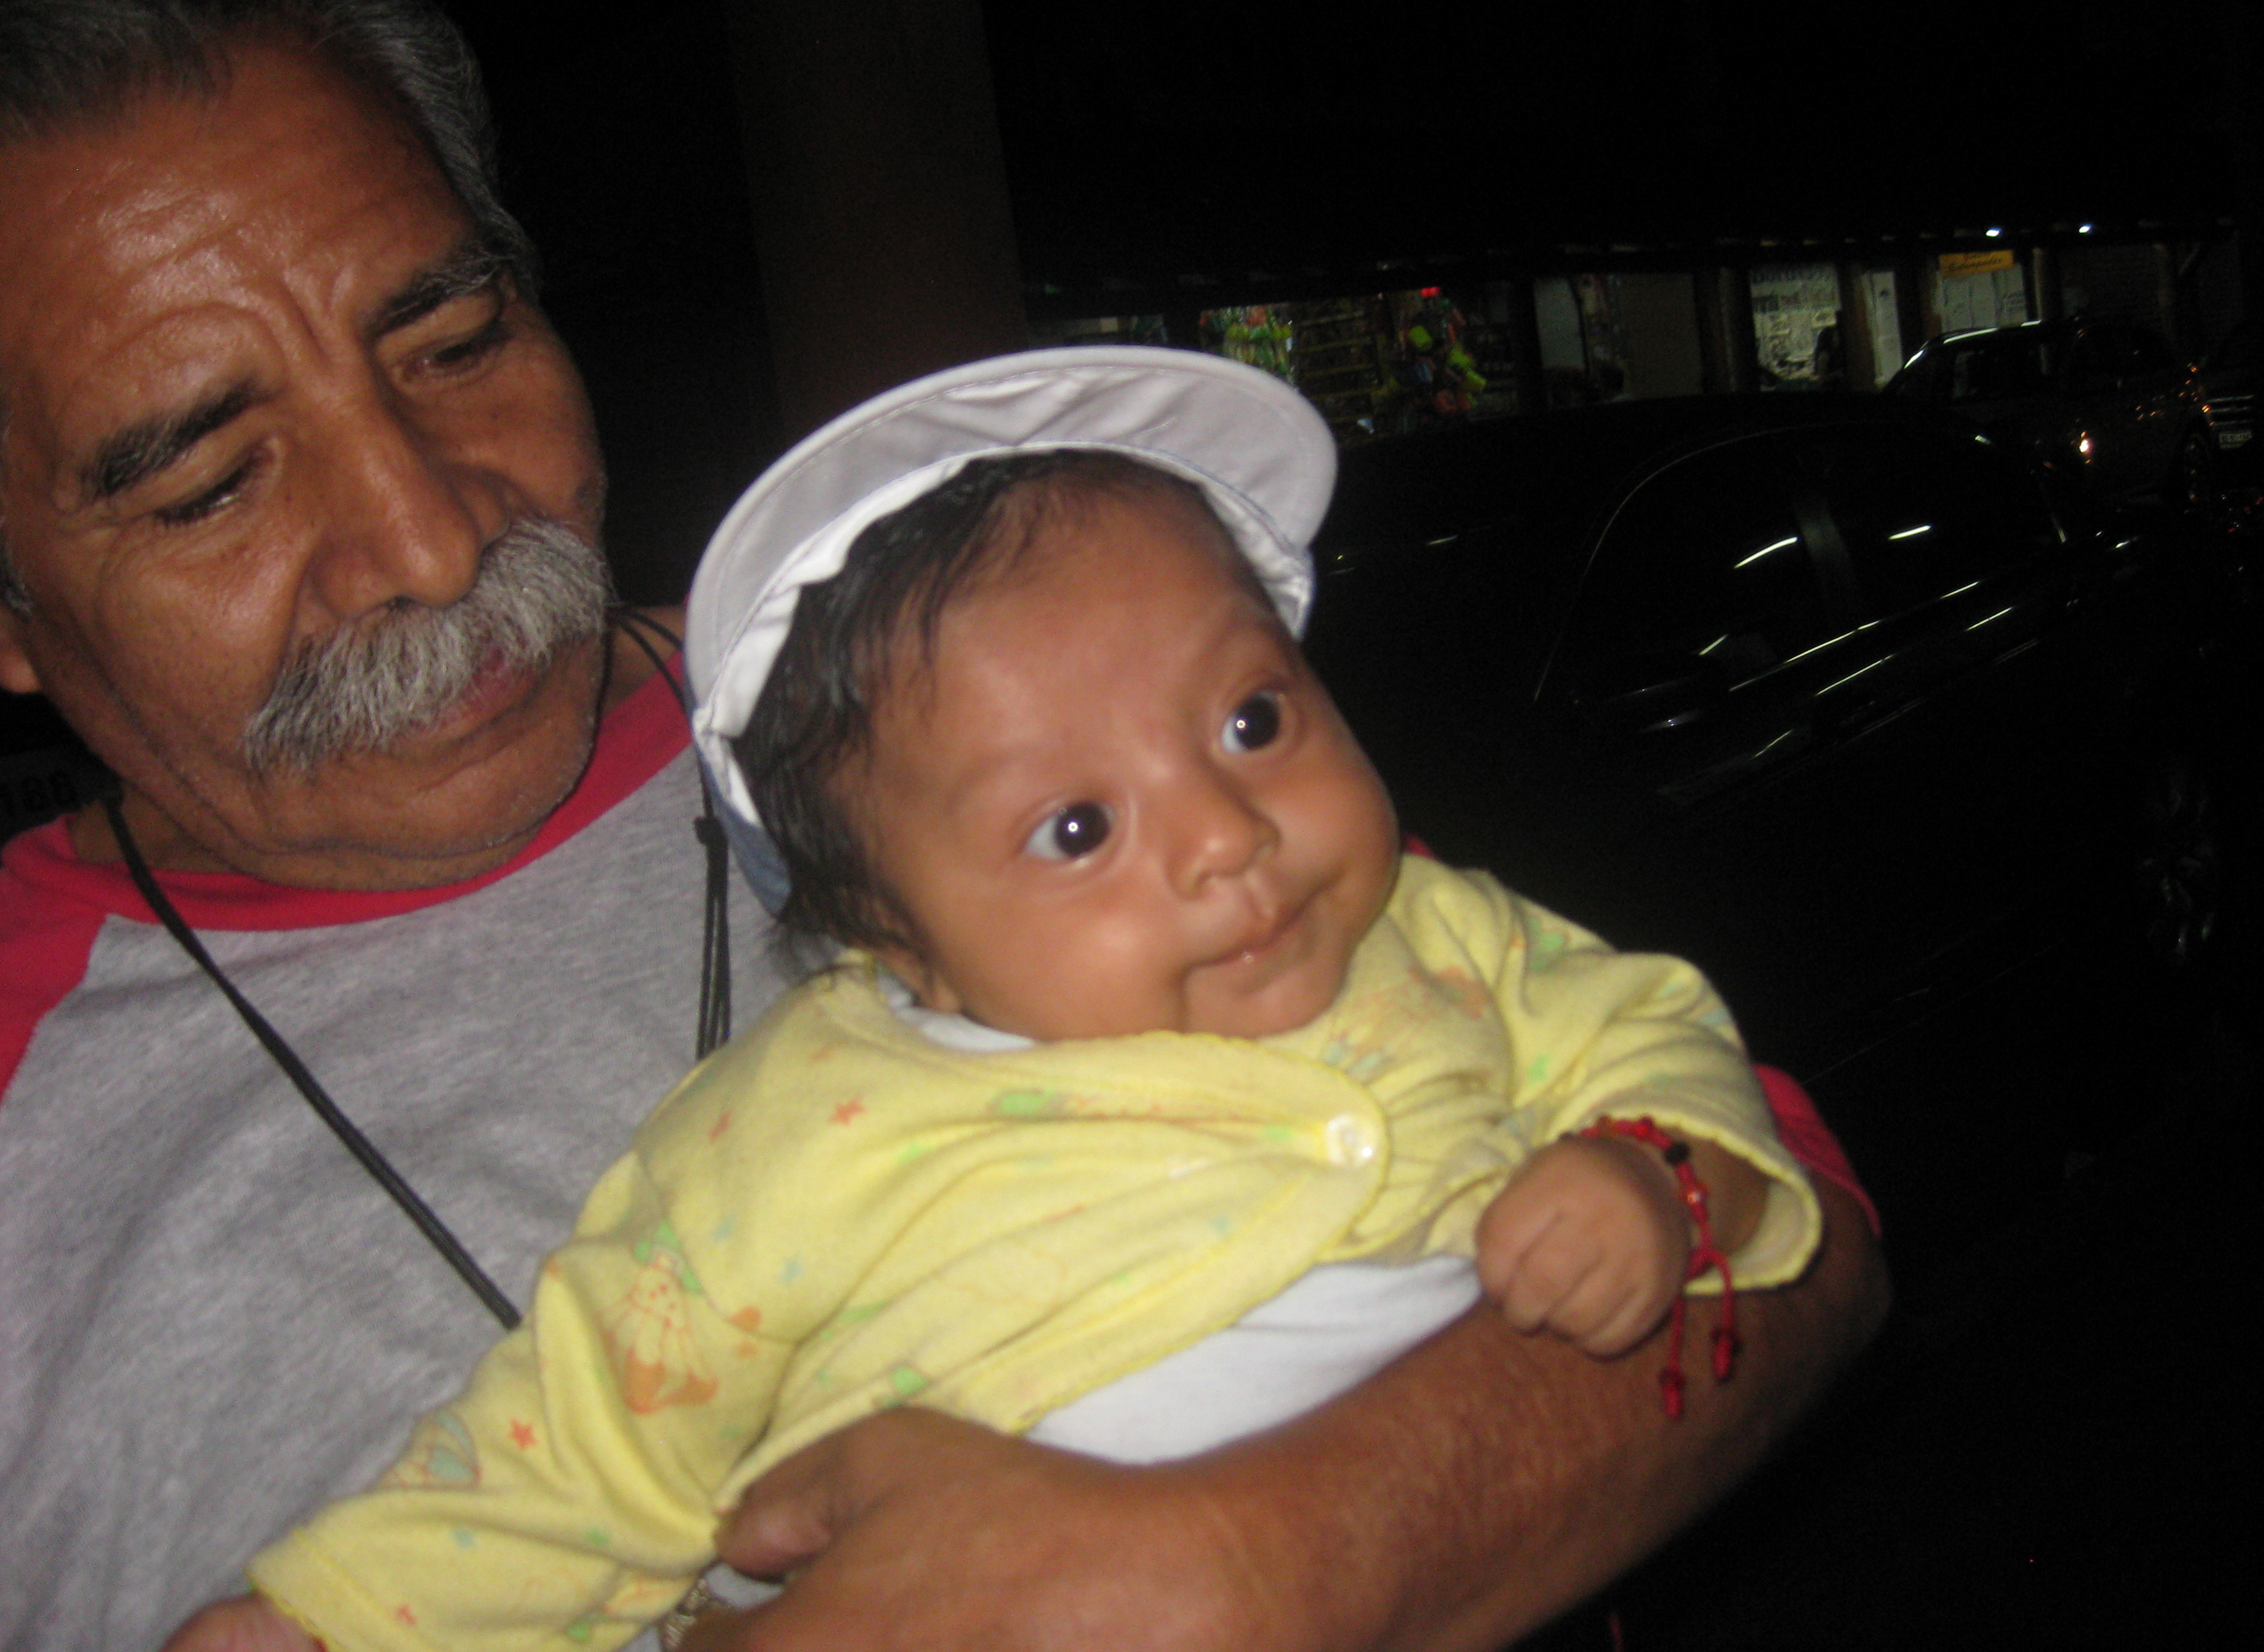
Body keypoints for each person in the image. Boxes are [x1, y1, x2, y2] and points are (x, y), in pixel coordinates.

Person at [0, 0, 1888, 1651]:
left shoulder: (1033, 702)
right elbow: (569, 1456)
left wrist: (1269, 1559)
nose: (429, 537)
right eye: (209, 484)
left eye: (455, 346)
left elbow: (1797, 1225)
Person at [185, 352, 1823, 1652]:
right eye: (1077, 829)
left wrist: (1654, 1174)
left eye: (1253, 721)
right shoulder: (800, 1130)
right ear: (897, 941)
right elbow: (587, 1434)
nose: (1228, 836)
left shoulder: (1433, 928)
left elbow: (1656, 1031)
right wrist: (336, 1617)